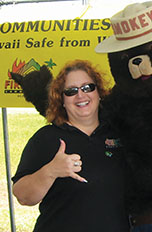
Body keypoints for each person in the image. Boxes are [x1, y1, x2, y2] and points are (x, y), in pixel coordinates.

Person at [11, 60, 130, 232]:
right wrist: (51, 171)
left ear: (99, 92)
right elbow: (23, 196)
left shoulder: (120, 132)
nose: (81, 95)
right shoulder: (47, 138)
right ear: (61, 100)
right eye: (71, 91)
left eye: (88, 87)